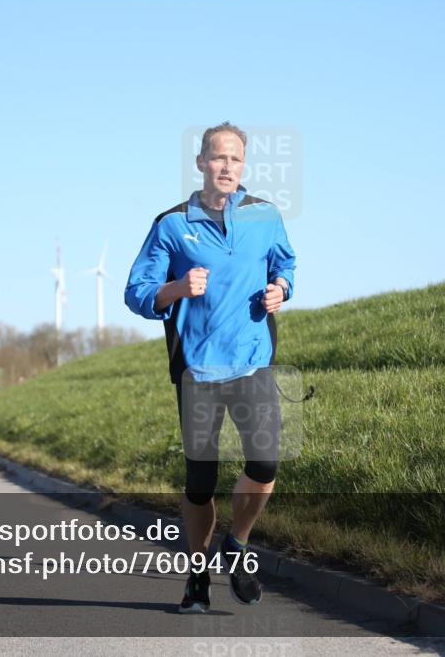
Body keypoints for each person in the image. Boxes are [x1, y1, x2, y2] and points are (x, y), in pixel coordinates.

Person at [125, 122, 296, 613]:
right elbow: (137, 291)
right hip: (197, 370)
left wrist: (281, 288)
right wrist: (178, 288)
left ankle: (237, 543)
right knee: (200, 483)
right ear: (200, 162)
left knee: (265, 464)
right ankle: (196, 576)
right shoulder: (172, 224)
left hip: (252, 363)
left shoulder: (265, 216)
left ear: (244, 167)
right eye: (218, 158)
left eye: (236, 160)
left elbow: (286, 263)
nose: (227, 167)